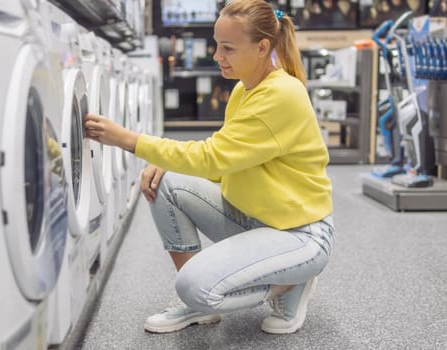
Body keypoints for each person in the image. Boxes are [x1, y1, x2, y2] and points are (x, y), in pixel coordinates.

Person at [84, 0, 335, 335]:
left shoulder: (282, 94)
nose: (217, 55)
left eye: (228, 48)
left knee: (195, 286)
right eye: (218, 45)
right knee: (166, 182)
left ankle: (291, 282)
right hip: (256, 219)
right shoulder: (244, 90)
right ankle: (201, 306)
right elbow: (225, 164)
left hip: (299, 235)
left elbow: (212, 158)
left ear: (262, 47)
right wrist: (164, 161)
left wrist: (129, 140)